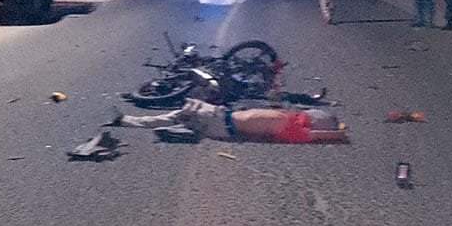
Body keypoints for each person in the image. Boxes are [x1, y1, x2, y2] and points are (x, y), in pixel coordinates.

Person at [109, 97, 349, 143]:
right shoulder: (295, 117)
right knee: (185, 109)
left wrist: (337, 133)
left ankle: (126, 120)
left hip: (222, 124)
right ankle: (128, 120)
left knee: (178, 114)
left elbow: (317, 134)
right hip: (221, 116)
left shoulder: (295, 130)